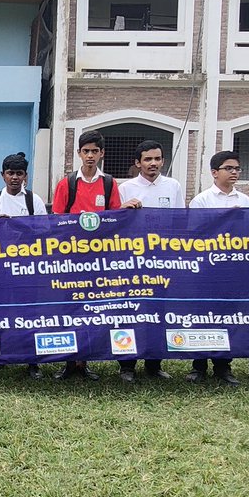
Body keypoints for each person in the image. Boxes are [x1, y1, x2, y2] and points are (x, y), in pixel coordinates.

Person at [49, 130, 139, 382]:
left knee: (91, 310)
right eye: (85, 151)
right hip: (71, 259)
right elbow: (57, 220)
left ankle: (84, 362)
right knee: (69, 308)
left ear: (102, 154)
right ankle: (68, 362)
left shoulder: (109, 183)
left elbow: (114, 220)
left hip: (99, 261)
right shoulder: (67, 183)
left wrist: (126, 209)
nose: (90, 156)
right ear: (79, 153)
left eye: (94, 151)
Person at [116, 140, 184, 382]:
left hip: (162, 261)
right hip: (132, 262)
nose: (153, 163)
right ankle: (126, 365)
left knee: (158, 312)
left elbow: (179, 222)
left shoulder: (173, 186)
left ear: (163, 161)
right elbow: (116, 226)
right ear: (138, 163)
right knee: (131, 311)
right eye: (147, 159)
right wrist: (123, 209)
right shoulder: (124, 188)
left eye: (157, 159)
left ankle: (154, 364)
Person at [186, 151, 249, 385]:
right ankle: (199, 365)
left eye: (237, 169)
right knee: (204, 316)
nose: (234, 172)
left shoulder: (244, 201)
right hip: (206, 269)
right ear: (215, 173)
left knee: (228, 316)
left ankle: (224, 366)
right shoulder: (202, 200)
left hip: (233, 268)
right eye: (228, 168)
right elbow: (193, 234)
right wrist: (224, 218)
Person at [0, 152, 48, 379]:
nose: (14, 178)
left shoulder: (34, 200)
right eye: (10, 173)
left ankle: (32, 361)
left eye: (19, 173)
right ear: (2, 175)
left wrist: (20, 227)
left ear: (25, 176)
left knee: (29, 315)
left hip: (27, 270)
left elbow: (45, 233)